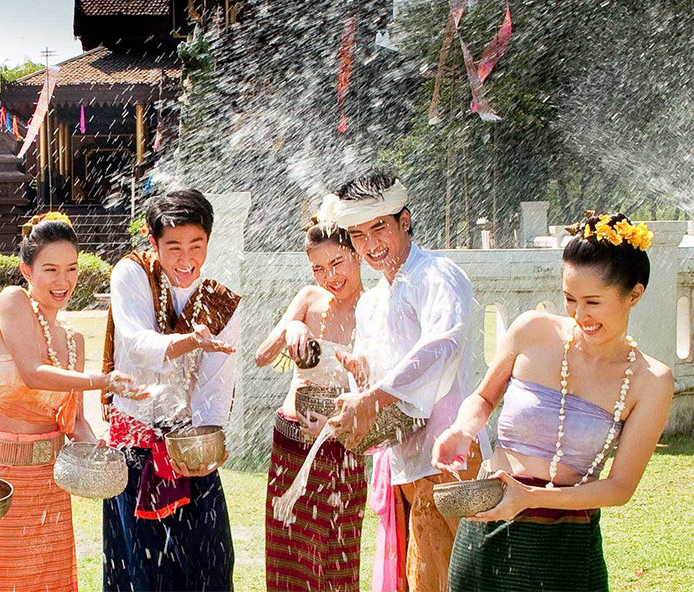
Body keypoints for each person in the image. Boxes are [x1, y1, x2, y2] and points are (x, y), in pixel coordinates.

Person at [433, 213, 673, 592]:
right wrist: (461, 430)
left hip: (568, 545)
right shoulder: (532, 330)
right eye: (570, 299)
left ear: (634, 295)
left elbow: (620, 487)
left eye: (593, 302)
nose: (579, 315)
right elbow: (482, 398)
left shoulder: (651, 381)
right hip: (488, 525)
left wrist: (529, 497)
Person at [322, 173, 488, 591]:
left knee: (455, 577)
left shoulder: (436, 274)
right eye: (358, 235)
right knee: (419, 576)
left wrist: (375, 394)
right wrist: (358, 374)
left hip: (451, 451)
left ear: (405, 220)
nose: (371, 244)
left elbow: (443, 344)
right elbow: (375, 374)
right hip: (403, 456)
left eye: (380, 227)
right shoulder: (373, 300)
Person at [0, 213, 142, 592]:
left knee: (49, 581)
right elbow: (32, 371)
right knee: (0, 578)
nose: (62, 281)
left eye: (71, 269)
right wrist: (102, 380)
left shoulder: (74, 339)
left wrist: (98, 449)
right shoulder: (12, 301)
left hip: (49, 477)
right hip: (0, 474)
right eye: (50, 269)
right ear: (26, 270)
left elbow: (73, 420)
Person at [102, 189, 241, 591]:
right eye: (174, 246)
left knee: (211, 565)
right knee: (143, 572)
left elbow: (217, 381)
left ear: (209, 242)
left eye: (196, 246)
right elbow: (139, 345)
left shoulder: (218, 297)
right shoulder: (132, 273)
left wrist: (208, 441)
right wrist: (191, 341)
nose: (186, 259)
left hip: (188, 450)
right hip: (137, 449)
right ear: (153, 241)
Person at [255, 223, 367, 592]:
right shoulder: (308, 298)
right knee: (289, 555)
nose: (329, 277)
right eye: (318, 268)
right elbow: (262, 356)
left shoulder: (375, 308)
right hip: (292, 441)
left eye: (337, 263)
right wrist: (291, 329)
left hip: (343, 447)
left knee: (337, 560)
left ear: (356, 253)